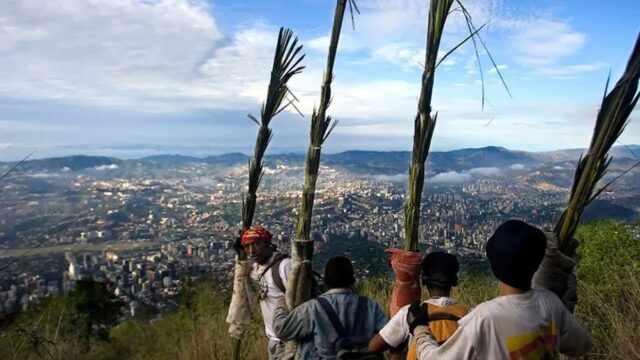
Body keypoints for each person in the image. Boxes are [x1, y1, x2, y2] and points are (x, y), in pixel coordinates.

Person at [408, 220, 592, 359]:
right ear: (537, 262)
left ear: (494, 264)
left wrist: (420, 329)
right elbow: (581, 345)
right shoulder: (550, 302)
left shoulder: (485, 318)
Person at [272, 256, 388, 359]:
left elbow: (281, 330)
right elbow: (388, 334)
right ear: (352, 280)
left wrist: (282, 303)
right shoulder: (370, 305)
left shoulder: (313, 307)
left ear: (325, 280)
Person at [368, 252, 468, 359]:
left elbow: (373, 347)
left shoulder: (410, 313)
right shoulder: (469, 314)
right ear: (454, 281)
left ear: (423, 280)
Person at [237, 226, 291, 360]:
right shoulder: (256, 270)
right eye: (247, 246)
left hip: (288, 341)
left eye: (256, 244)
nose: (251, 250)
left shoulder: (284, 267)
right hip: (272, 339)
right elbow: (243, 274)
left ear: (268, 244)